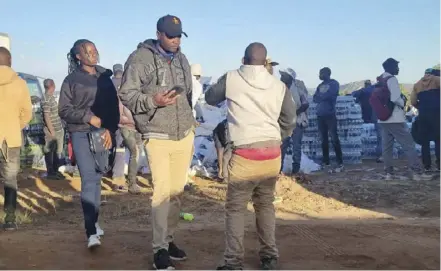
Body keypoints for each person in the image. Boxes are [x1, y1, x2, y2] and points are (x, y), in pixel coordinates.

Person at [205, 42, 296, 270]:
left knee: (235, 209)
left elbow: (209, 98)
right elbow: (289, 119)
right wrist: (278, 137)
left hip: (245, 154)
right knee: (265, 205)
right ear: (266, 62)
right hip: (271, 153)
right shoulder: (278, 85)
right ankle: (269, 257)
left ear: (244, 60)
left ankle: (233, 262)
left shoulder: (232, 78)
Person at [119, 15, 194, 270]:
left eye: (178, 36)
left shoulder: (182, 57)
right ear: (159, 34)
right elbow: (127, 94)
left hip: (183, 134)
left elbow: (189, 94)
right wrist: (154, 102)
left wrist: (189, 121)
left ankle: (169, 239)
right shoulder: (140, 58)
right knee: (161, 193)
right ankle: (159, 250)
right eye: (170, 36)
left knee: (176, 194)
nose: (175, 41)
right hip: (158, 135)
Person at [58, 39, 120, 248]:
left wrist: (110, 130)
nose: (94, 54)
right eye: (89, 51)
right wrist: (87, 117)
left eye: (95, 50)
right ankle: (90, 231)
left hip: (102, 133)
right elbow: (64, 110)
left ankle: (94, 219)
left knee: (97, 176)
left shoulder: (105, 78)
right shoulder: (71, 80)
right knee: (87, 178)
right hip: (81, 133)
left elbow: (113, 108)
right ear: (78, 56)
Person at [377, 58, 430, 181]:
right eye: (396, 66)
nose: (398, 69)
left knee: (387, 147)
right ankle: (417, 173)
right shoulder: (392, 79)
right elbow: (395, 98)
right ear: (390, 67)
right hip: (395, 118)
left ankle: (389, 173)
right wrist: (403, 104)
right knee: (409, 145)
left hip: (383, 119)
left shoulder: (380, 79)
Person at [0, 47, 33, 230]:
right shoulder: (19, 83)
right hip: (11, 139)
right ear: (10, 60)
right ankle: (10, 219)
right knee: (10, 180)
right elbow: (27, 113)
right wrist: (15, 125)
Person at [113, 63, 142, 194]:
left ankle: (129, 179)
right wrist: (130, 121)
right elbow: (119, 116)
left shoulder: (136, 93)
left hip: (136, 128)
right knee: (134, 152)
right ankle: (132, 183)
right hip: (126, 128)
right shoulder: (121, 95)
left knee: (135, 153)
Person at [313, 67, 344, 172]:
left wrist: (321, 96)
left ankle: (340, 162)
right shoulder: (320, 85)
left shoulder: (334, 83)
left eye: (321, 73)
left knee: (334, 139)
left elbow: (330, 95)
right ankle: (326, 161)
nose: (320, 75)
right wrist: (322, 96)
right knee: (323, 140)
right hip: (320, 115)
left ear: (327, 73)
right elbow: (314, 98)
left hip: (330, 115)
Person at [279, 68, 309, 175]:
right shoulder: (280, 88)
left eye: (283, 75)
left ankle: (295, 171)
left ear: (290, 78)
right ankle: (279, 171)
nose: (281, 77)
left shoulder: (298, 89)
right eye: (281, 75)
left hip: (296, 122)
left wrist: (294, 113)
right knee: (282, 146)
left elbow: (305, 104)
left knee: (296, 146)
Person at [411, 68, 440, 172]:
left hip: (423, 115)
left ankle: (427, 166)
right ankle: (439, 165)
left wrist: (421, 108)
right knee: (438, 140)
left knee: (425, 141)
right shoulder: (437, 80)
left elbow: (413, 101)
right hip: (437, 114)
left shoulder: (417, 84)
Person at [352, 80, 383, 162]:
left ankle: (379, 154)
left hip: (366, 116)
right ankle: (381, 155)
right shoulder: (378, 90)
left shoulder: (363, 90)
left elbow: (353, 95)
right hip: (376, 115)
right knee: (381, 136)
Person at [42, 79, 65, 179]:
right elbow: (46, 116)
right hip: (52, 131)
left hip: (58, 129)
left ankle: (55, 171)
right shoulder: (46, 99)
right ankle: (51, 172)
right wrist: (52, 131)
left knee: (57, 151)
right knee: (50, 151)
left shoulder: (50, 98)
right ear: (52, 86)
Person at [110, 64, 128, 191]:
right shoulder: (127, 83)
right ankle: (118, 176)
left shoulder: (108, 83)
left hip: (108, 120)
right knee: (120, 149)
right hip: (123, 121)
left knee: (108, 146)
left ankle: (108, 169)